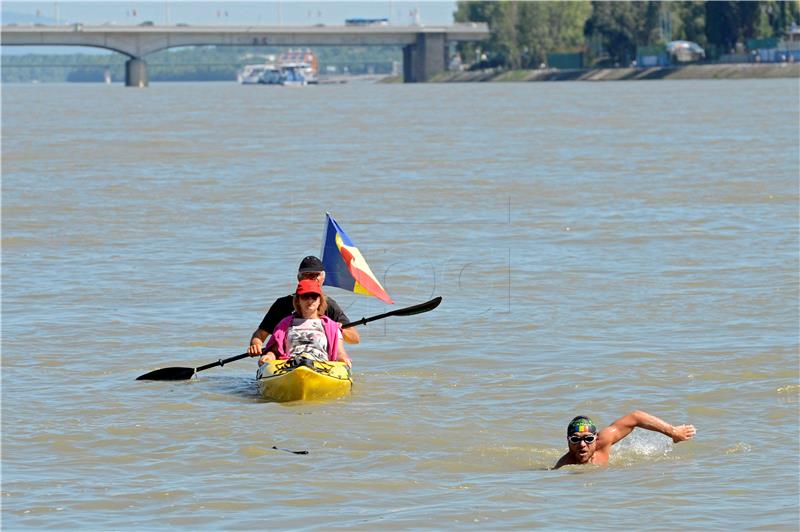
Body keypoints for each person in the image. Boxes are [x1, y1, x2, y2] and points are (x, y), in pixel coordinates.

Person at [247, 256, 360, 356]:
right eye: (307, 275)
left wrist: (338, 330)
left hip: (319, 360)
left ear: (323, 278)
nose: (311, 279)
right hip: (286, 360)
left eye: (316, 275)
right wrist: (256, 344)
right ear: (299, 278)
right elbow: (260, 335)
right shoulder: (282, 304)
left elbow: (354, 338)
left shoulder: (329, 305)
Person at [256, 278, 351, 368]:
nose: (310, 300)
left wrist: (343, 359)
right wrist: (269, 356)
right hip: (291, 366)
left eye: (314, 296)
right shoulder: (284, 324)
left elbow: (340, 353)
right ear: (298, 301)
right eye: (305, 296)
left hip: (322, 367)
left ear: (319, 300)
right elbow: (275, 351)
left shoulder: (332, 326)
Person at [553, 410, 696, 469]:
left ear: (596, 439)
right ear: (567, 441)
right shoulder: (564, 465)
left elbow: (636, 417)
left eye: (588, 439)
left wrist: (673, 432)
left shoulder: (603, 441)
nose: (582, 445)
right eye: (575, 440)